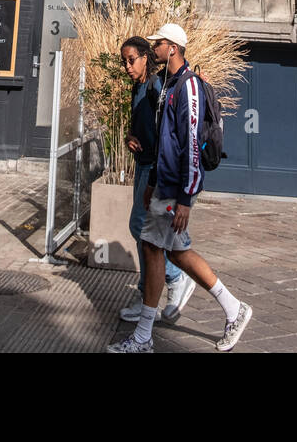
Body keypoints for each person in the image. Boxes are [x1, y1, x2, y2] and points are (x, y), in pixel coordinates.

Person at [108, 22, 253, 354]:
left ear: (171, 47)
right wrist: (154, 182)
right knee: (171, 251)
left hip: (176, 188)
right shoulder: (172, 84)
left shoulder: (185, 86)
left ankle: (145, 336)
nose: (153, 47)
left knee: (153, 247)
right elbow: (164, 142)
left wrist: (184, 198)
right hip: (165, 182)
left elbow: (188, 144)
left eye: (157, 43)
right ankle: (233, 309)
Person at [118, 36, 195, 324]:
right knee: (148, 230)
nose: (127, 66)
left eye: (131, 60)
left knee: (141, 227)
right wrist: (130, 137)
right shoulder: (137, 86)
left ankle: (176, 278)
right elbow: (142, 124)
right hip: (142, 163)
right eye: (124, 60)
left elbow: (167, 123)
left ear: (146, 58)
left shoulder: (156, 84)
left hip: (155, 168)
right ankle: (146, 293)